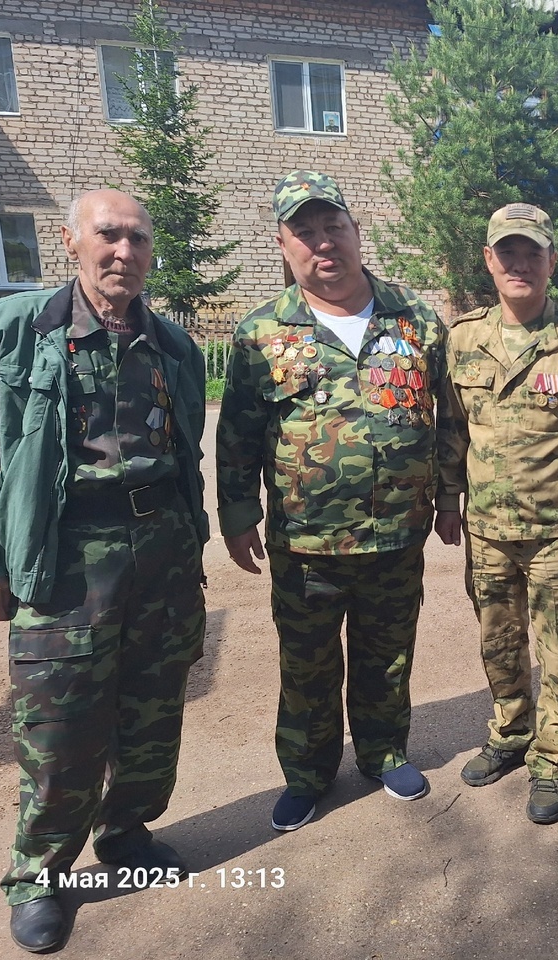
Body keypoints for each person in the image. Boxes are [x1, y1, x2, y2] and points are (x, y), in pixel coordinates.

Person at [0, 189, 208, 953]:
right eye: (109, 236)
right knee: (61, 727)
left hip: (161, 554)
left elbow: (187, 459)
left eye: (138, 240)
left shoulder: (175, 346)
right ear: (70, 241)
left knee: (152, 712)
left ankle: (128, 834)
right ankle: (39, 876)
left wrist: (193, 545)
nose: (125, 252)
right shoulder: (11, 331)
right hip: (65, 557)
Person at [216, 171, 450, 832]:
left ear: (355, 231)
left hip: (397, 535)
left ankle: (383, 752)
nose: (323, 243)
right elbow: (237, 432)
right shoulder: (261, 332)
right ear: (283, 245)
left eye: (333, 227)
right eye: (305, 232)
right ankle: (309, 772)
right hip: (305, 541)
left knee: (388, 654)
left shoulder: (416, 318)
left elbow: (449, 419)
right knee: (308, 666)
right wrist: (238, 516)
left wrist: (450, 499)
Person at [436, 203, 558, 825]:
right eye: (507, 253)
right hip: (487, 531)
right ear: (490, 261)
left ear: (551, 261)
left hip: (557, 532)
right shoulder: (463, 338)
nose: (520, 264)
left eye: (532, 253)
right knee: (498, 645)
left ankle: (551, 759)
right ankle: (511, 733)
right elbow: (450, 429)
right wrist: (445, 500)